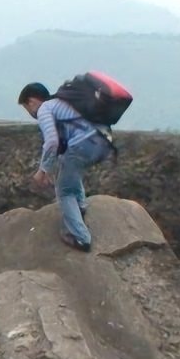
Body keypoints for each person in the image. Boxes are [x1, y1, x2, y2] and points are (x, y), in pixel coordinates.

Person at [17, 82, 108, 252]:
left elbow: (51, 141)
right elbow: (61, 144)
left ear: (32, 102)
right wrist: (50, 167)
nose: (30, 113)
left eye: (26, 108)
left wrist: (42, 170)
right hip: (100, 141)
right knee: (71, 172)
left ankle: (81, 238)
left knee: (64, 191)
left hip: (83, 143)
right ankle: (80, 206)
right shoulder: (61, 103)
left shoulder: (45, 109)